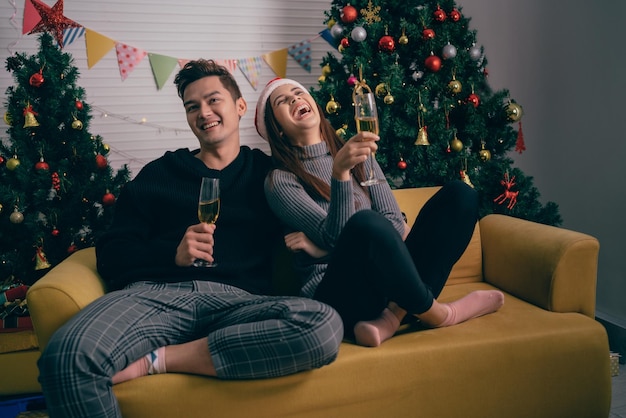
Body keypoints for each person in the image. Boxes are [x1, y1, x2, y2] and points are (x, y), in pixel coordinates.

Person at [37, 62, 343, 418]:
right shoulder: (158, 175)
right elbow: (111, 253)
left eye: (214, 100)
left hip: (239, 306)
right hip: (153, 298)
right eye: (192, 106)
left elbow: (329, 216)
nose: (204, 113)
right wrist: (172, 254)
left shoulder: (271, 176)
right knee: (66, 356)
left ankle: (161, 360)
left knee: (322, 326)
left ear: (240, 106)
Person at [256, 78, 504, 348]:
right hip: (342, 296)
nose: (295, 99)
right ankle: (440, 314)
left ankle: (392, 317)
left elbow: (394, 223)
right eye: (282, 101)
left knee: (460, 195)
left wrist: (320, 249)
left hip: (393, 284)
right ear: (277, 131)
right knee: (366, 222)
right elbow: (338, 236)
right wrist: (340, 174)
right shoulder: (280, 181)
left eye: (298, 93)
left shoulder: (360, 154)